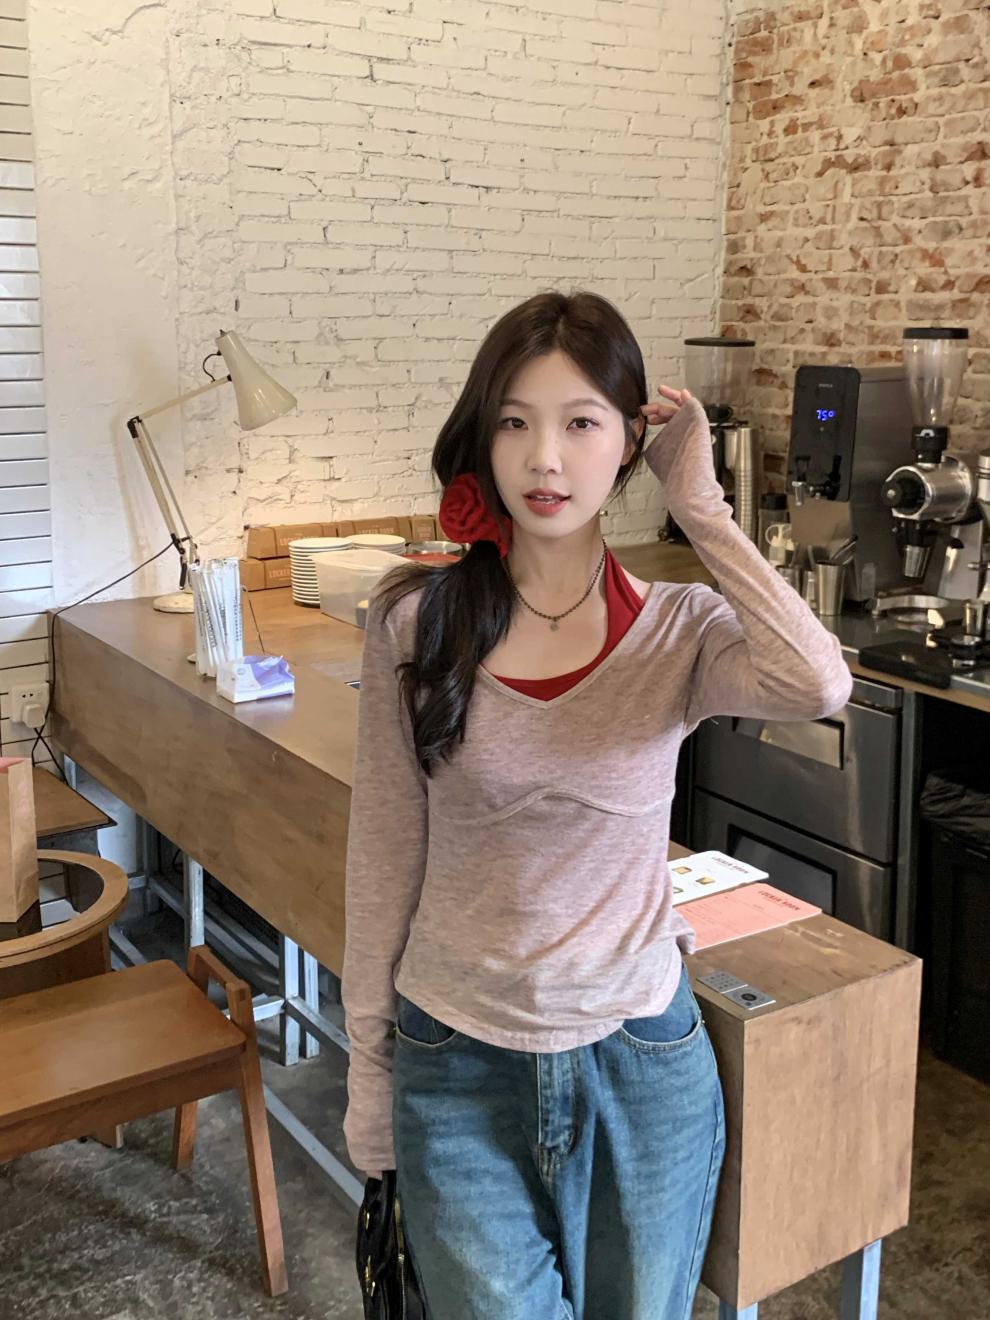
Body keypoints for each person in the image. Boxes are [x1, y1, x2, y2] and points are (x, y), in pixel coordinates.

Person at [341, 289, 852, 1319]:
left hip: (639, 1063)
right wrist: (368, 1072)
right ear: (482, 438)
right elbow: (384, 853)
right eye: (514, 422)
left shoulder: (681, 630)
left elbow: (818, 683)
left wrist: (702, 508)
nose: (545, 459)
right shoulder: (416, 621)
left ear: (628, 444)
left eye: (581, 423)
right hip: (455, 1058)